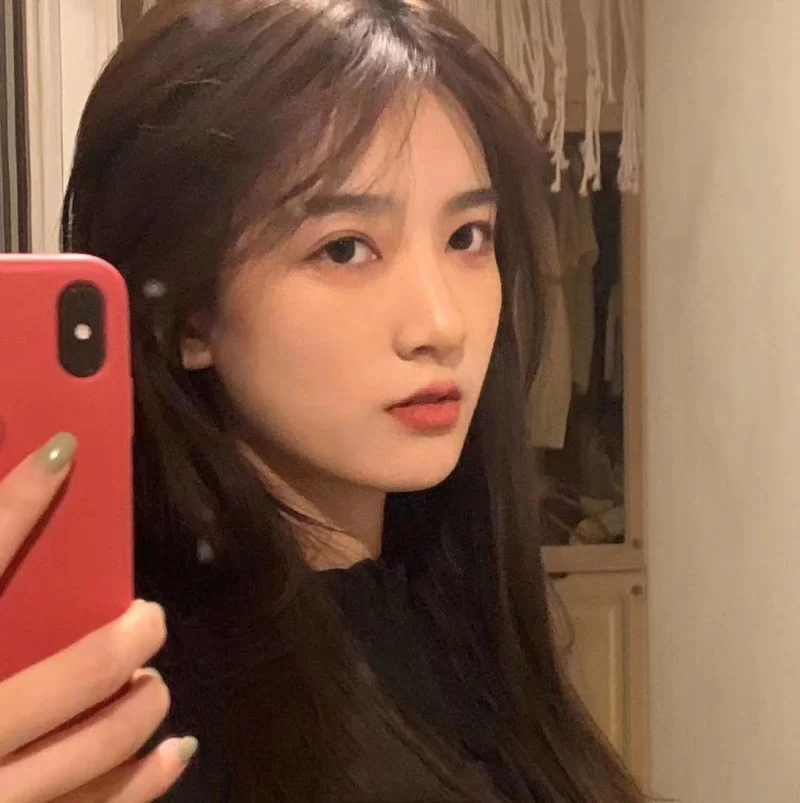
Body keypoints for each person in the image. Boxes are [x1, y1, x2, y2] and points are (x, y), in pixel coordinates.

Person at [0, 1, 647, 800]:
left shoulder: (466, 625)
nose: (441, 324)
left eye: (467, 237)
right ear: (187, 314)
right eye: (344, 248)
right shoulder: (143, 715)